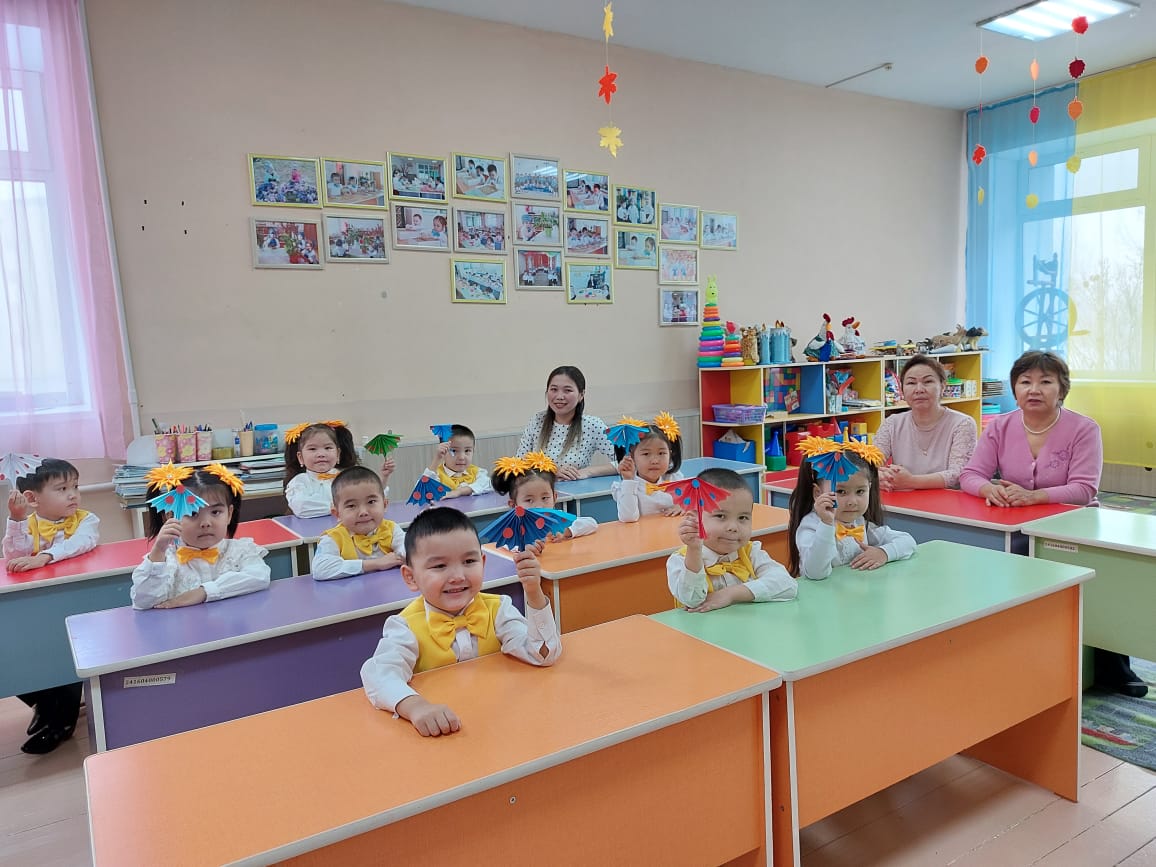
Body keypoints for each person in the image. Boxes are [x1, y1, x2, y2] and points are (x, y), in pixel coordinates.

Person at [959, 352, 1138, 695]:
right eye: (1025, 382)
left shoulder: (1084, 429)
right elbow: (971, 474)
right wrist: (989, 489)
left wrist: (1034, 496)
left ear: (1062, 389)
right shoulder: (1000, 426)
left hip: (1076, 523)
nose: (1034, 389)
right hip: (1017, 523)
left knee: (1095, 591)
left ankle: (1114, 668)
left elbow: (1084, 490)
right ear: (1014, 389)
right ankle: (1031, 661)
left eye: (1045, 382)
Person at [359, 507, 561, 736]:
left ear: (483, 563)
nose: (457, 576)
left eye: (469, 561)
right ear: (411, 577)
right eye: (439, 566)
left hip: (499, 724)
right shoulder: (404, 626)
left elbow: (544, 655)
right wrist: (415, 706)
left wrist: (533, 592)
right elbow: (378, 674)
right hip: (442, 734)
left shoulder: (499, 608)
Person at [4, 459, 100, 754]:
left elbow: (82, 543)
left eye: (75, 486)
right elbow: (14, 557)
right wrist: (16, 520)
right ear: (32, 498)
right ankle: (44, 703)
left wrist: (44, 557)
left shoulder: (87, 520)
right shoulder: (29, 523)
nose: (73, 495)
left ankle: (61, 724)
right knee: (21, 656)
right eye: (62, 489)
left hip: (77, 603)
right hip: (37, 608)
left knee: (67, 658)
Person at [131, 464, 270, 609]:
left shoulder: (240, 550)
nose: (205, 523)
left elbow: (260, 576)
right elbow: (143, 602)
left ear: (229, 514)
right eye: (192, 513)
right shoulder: (167, 560)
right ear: (171, 517)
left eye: (215, 512)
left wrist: (204, 592)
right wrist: (158, 551)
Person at [667, 468, 796, 612]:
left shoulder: (751, 552)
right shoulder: (680, 560)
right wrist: (694, 550)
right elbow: (692, 600)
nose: (733, 527)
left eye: (742, 518)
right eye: (720, 516)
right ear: (694, 518)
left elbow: (787, 584)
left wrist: (731, 594)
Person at [788, 439, 916, 580]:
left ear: (869, 488)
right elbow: (815, 573)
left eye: (860, 491)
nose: (852, 502)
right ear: (818, 493)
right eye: (841, 492)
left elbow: (908, 541)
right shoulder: (811, 525)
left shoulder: (859, 522)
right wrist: (826, 524)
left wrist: (884, 553)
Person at [875, 354, 978, 490]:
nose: (919, 389)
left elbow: (958, 474)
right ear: (902, 390)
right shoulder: (892, 424)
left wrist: (911, 481)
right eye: (911, 383)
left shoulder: (963, 424)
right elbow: (871, 463)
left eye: (928, 382)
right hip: (902, 499)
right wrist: (879, 476)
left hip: (947, 500)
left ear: (943, 386)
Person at [515, 365, 617, 479]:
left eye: (567, 390)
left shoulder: (592, 425)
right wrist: (552, 472)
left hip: (577, 489)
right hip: (540, 489)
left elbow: (625, 461)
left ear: (581, 395)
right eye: (554, 389)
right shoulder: (537, 421)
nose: (559, 396)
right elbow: (519, 465)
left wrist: (588, 472)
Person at [312, 466, 406, 581]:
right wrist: (376, 563)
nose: (363, 512)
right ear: (337, 514)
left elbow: (409, 549)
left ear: (385, 505)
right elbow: (320, 569)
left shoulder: (391, 528)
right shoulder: (333, 538)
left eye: (371, 502)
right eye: (351, 506)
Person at [491, 453, 596, 539]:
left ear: (554, 497)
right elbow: (503, 545)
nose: (539, 506)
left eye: (544, 498)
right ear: (513, 505)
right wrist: (524, 548)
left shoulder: (557, 518)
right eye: (529, 500)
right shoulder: (514, 526)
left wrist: (567, 531)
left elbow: (591, 523)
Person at [612, 413, 685, 522]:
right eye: (646, 454)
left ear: (670, 454)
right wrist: (628, 481)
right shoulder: (625, 486)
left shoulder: (675, 478)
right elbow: (628, 518)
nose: (655, 461)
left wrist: (683, 506)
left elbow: (694, 503)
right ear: (632, 456)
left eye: (661, 453)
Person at [283, 421, 359, 518]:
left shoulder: (347, 478)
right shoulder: (300, 482)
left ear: (338, 454)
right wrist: (339, 508)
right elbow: (301, 507)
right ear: (300, 457)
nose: (321, 454)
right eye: (312, 449)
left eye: (328, 448)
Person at [420, 425, 492, 499]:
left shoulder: (476, 472)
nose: (461, 457)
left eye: (467, 450)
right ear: (443, 452)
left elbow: (488, 484)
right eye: (454, 451)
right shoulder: (437, 474)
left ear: (473, 451)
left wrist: (460, 491)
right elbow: (422, 490)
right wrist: (437, 459)